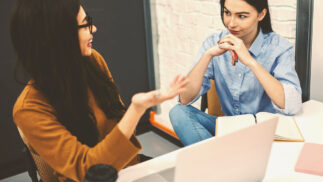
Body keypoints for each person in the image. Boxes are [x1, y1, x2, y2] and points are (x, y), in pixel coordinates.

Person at [10, 0, 187, 181]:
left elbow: (118, 124)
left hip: (128, 169)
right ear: (59, 37)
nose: (94, 29)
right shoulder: (29, 109)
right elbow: (90, 171)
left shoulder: (93, 61)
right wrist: (137, 109)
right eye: (85, 24)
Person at [169, 0, 302, 146]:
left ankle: (217, 161)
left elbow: (293, 106)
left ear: (261, 14)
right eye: (227, 13)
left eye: (242, 16)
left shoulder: (279, 47)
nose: (231, 23)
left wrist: (251, 62)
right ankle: (215, 161)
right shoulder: (214, 42)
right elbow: (185, 99)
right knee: (178, 112)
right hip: (230, 128)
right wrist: (207, 55)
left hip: (264, 131)